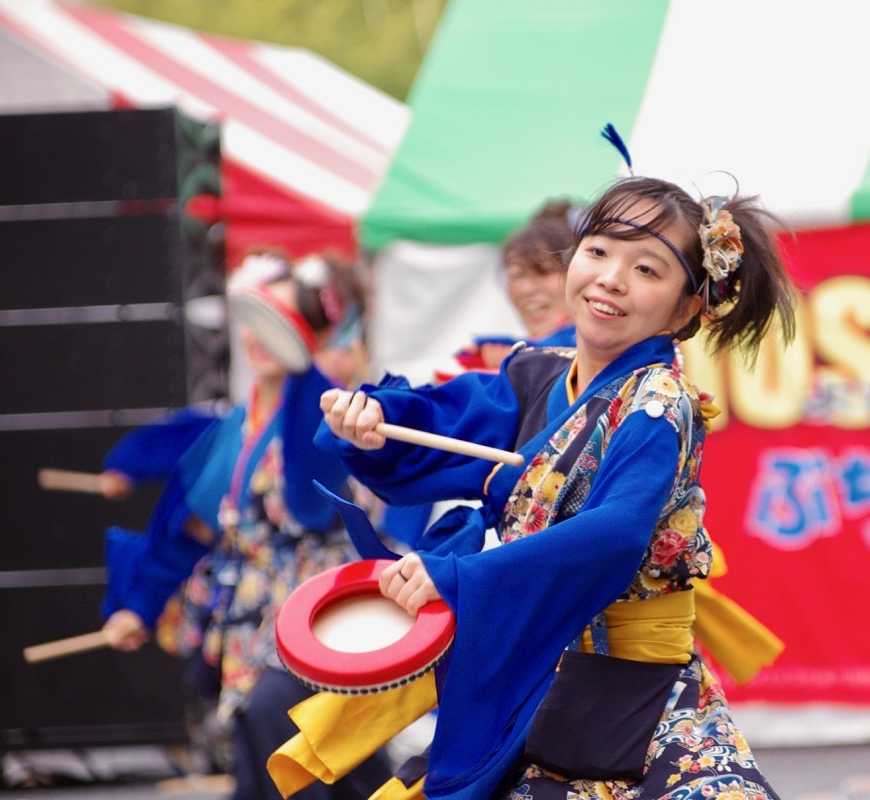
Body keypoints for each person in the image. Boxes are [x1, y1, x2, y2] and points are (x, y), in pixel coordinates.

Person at [313, 172, 796, 800]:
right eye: (598, 251)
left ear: (686, 309)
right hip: (541, 683)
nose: (612, 278)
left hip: (640, 702)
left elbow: (614, 534)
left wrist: (458, 576)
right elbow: (437, 424)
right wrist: (372, 424)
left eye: (647, 269)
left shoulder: (659, 404)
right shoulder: (536, 377)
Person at [100, 251, 394, 800]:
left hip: (315, 612)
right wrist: (137, 607)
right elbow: (191, 528)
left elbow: (312, 500)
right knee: (259, 755)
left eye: (279, 322)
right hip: (243, 619)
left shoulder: (324, 411)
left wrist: (304, 362)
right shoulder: (234, 425)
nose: (261, 336)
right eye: (254, 318)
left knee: (281, 728)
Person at [437, 198, 580, 382]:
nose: (527, 289)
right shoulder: (487, 357)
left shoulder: (602, 354)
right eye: (516, 274)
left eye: (544, 272)